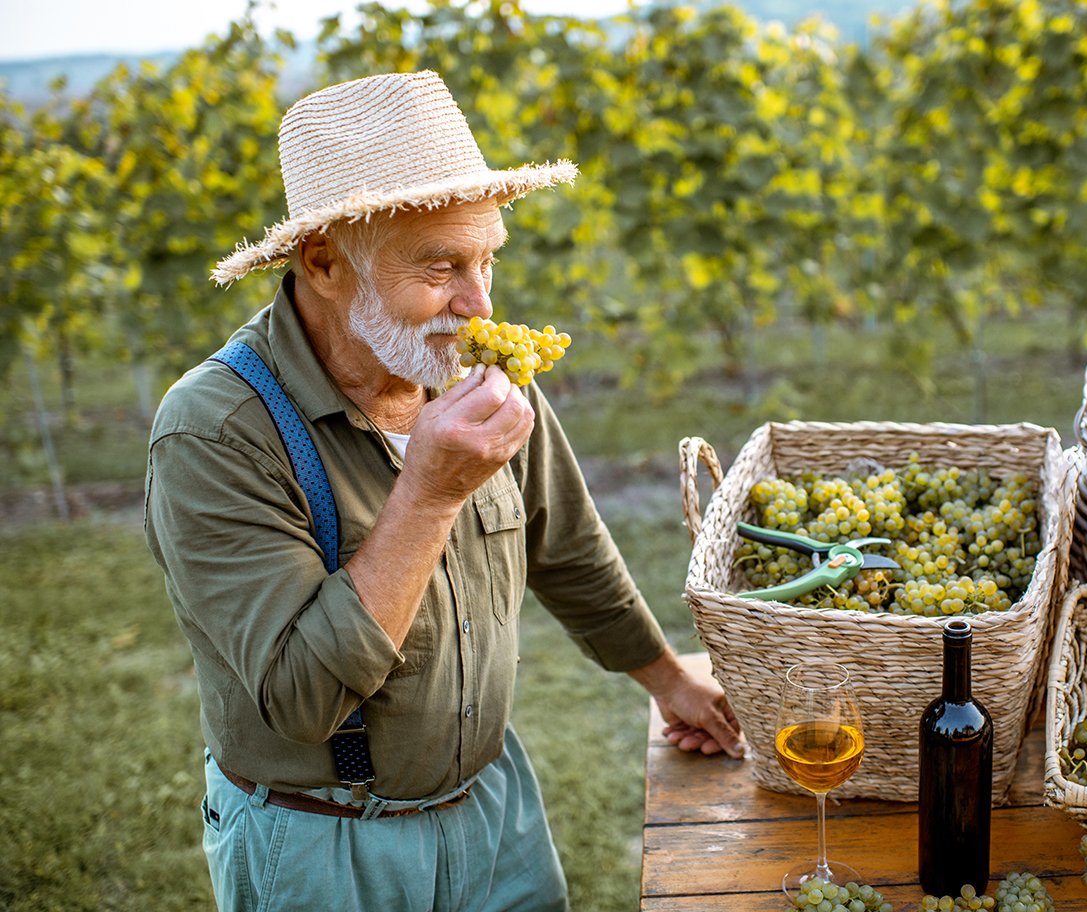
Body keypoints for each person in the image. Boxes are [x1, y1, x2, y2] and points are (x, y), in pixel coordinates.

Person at [144, 70, 742, 912]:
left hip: (495, 814)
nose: (478, 303)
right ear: (322, 261)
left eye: (487, 259)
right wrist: (427, 494)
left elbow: (562, 545)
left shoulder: (467, 366)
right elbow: (300, 698)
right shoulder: (215, 431)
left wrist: (667, 679)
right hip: (326, 841)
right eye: (441, 267)